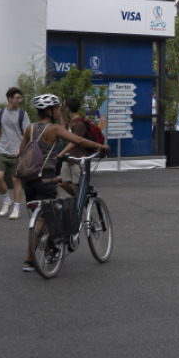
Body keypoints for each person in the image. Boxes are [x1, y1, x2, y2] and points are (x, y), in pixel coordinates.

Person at [18, 94, 107, 274]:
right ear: (49, 111)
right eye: (57, 108)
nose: (59, 110)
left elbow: (20, 152)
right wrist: (101, 146)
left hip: (28, 180)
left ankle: (48, 247)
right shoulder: (54, 129)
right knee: (44, 218)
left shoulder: (30, 128)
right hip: (46, 178)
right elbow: (79, 141)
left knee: (41, 214)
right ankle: (29, 260)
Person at [0, 87, 28, 220]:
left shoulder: (23, 114)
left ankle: (16, 208)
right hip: (2, 151)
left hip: (17, 153)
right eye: (17, 98)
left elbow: (27, 133)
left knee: (16, 180)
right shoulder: (1, 113)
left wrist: (21, 149)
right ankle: (6, 200)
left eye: (20, 98)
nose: (19, 100)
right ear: (9, 98)